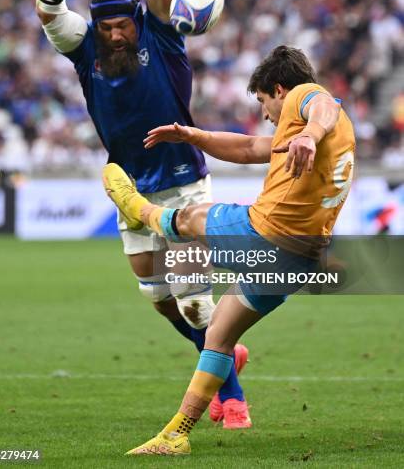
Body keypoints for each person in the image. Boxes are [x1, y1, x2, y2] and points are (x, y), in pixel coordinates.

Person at [35, 0, 249, 428]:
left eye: (119, 26)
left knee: (197, 301)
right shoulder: (86, 52)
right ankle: (224, 352)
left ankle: (231, 395)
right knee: (158, 297)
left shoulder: (162, 33)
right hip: (130, 189)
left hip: (182, 182)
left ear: (134, 22)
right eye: (104, 27)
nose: (113, 34)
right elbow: (50, 10)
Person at [102, 45, 356, 455]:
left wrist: (309, 133)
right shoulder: (322, 127)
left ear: (277, 89)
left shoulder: (304, 96)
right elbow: (250, 149)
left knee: (187, 218)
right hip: (301, 258)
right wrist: (192, 136)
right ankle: (176, 435)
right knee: (218, 335)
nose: (266, 113)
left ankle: (139, 211)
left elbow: (320, 104)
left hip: (267, 234)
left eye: (262, 102)